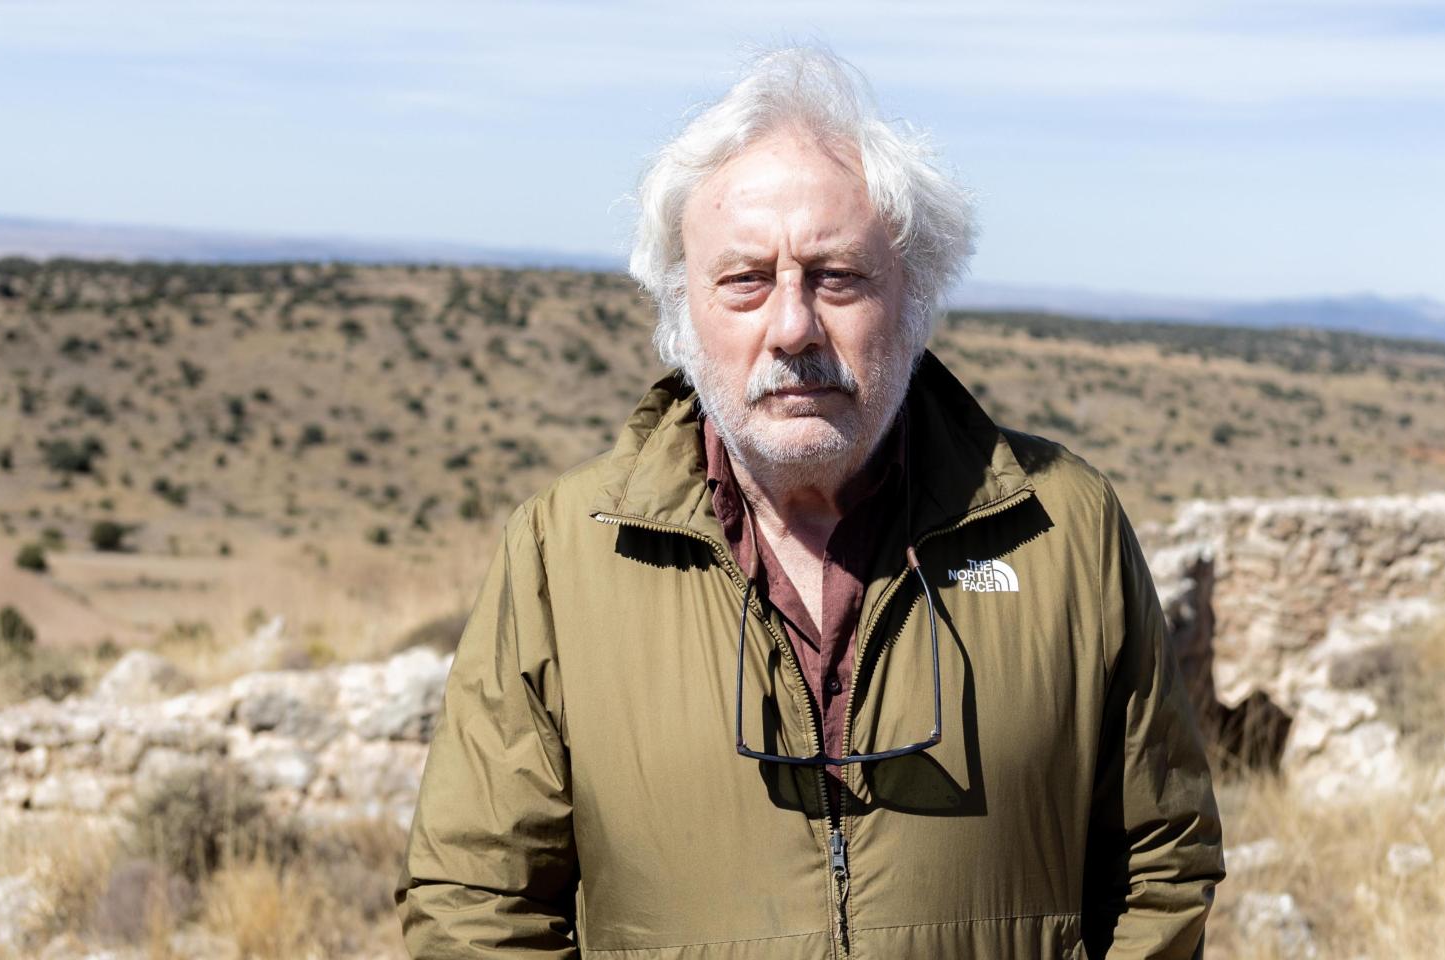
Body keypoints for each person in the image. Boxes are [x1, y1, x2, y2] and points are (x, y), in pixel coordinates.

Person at [397, 46, 1224, 959]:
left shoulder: (1063, 529)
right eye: (745, 279)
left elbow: (1163, 861)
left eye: (837, 277)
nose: (792, 327)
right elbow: (474, 901)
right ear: (682, 309)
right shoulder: (566, 552)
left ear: (915, 295)